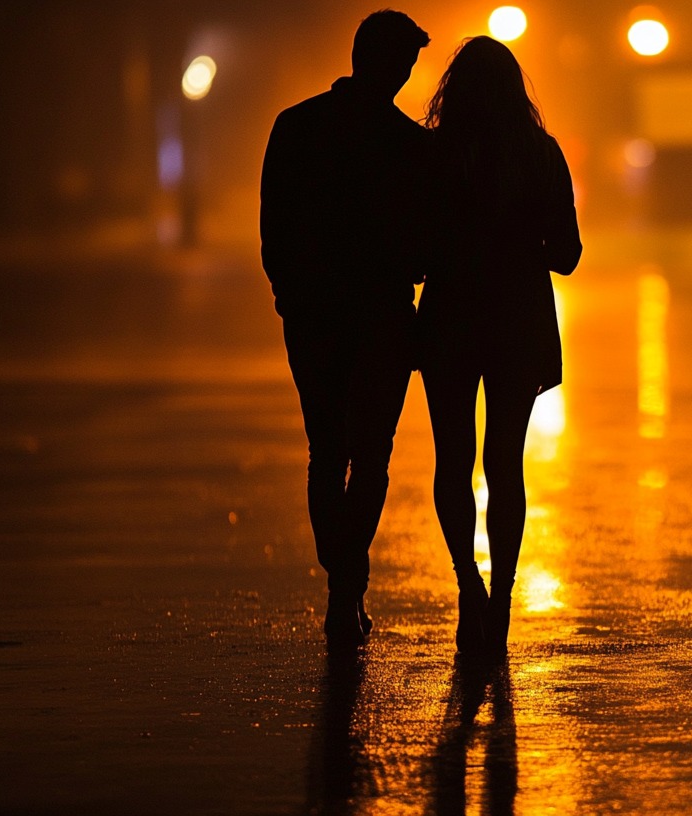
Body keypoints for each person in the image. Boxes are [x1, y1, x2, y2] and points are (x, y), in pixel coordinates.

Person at [260, 10, 431, 647]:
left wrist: (290, 297)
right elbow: (423, 247)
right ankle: (346, 585)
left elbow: (274, 225)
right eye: (404, 61)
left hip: (316, 317)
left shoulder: (297, 127)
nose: (406, 72)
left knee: (327, 450)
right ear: (385, 62)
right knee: (371, 454)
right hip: (382, 318)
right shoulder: (409, 145)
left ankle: (343, 580)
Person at [417, 36, 582, 661]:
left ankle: (468, 588)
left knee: (452, 459)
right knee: (504, 464)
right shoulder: (539, 154)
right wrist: (523, 247)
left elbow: (414, 253)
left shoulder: (434, 156)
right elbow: (566, 255)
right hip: (517, 321)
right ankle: (504, 597)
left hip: (450, 322)